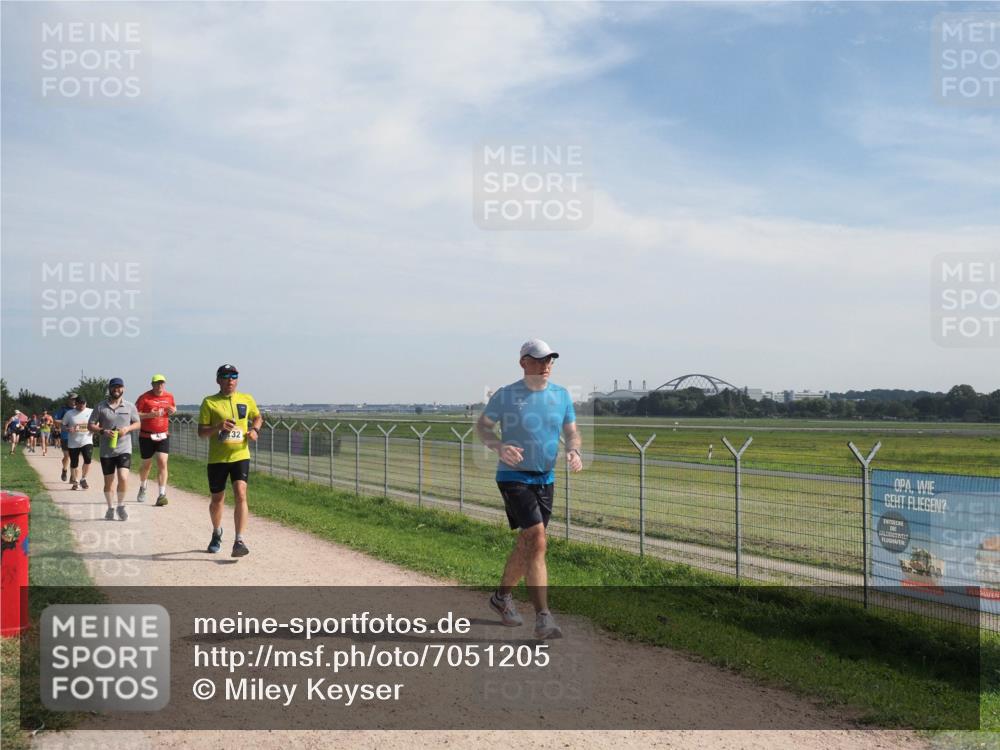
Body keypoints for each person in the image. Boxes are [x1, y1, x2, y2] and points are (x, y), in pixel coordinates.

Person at [475, 338, 583, 640]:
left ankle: (501, 596)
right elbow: (482, 427)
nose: (545, 365)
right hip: (513, 476)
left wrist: (575, 451)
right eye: (538, 359)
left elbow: (572, 433)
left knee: (530, 544)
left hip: (545, 478)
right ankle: (543, 617)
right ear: (523, 362)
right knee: (537, 538)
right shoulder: (506, 395)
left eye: (549, 360)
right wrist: (498, 446)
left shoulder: (561, 396)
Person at [197, 364, 262, 557]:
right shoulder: (209, 402)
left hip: (240, 455)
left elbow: (258, 417)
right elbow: (201, 433)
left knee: (241, 493)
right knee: (217, 500)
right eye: (225, 376)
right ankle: (217, 533)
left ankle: (239, 540)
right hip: (217, 459)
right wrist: (218, 427)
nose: (230, 380)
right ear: (218, 380)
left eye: (234, 376)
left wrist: (255, 430)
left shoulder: (246, 398)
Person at [88, 378, 140, 521]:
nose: (116, 389)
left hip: (124, 448)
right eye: (114, 387)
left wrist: (127, 428)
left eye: (119, 387)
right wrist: (103, 431)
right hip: (107, 450)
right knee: (108, 482)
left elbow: (137, 423)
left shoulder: (129, 406)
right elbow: (90, 425)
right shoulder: (100, 407)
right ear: (109, 389)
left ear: (123, 389)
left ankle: (121, 505)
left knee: (123, 478)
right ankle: (110, 508)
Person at [135, 374, 177, 507]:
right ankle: (143, 486)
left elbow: (173, 409)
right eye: (157, 383)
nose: (159, 386)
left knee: (162, 462)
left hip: (163, 435)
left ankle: (162, 494)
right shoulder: (144, 397)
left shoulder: (169, 396)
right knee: (146, 465)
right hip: (146, 436)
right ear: (152, 384)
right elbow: (135, 414)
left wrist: (173, 411)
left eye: (162, 383)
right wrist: (149, 415)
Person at [63, 395, 94, 491]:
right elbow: (63, 426)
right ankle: (75, 481)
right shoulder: (69, 413)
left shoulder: (91, 411)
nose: (81, 406)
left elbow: (98, 422)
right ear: (75, 403)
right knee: (74, 463)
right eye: (79, 404)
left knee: (88, 459)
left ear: (86, 403)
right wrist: (68, 429)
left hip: (87, 440)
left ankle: (83, 479)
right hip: (73, 442)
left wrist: (95, 427)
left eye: (83, 403)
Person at [53, 394, 77, 481]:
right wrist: (66, 421)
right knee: (67, 456)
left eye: (75, 399)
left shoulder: (79, 409)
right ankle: (64, 470)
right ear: (68, 400)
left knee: (74, 457)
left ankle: (73, 476)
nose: (74, 401)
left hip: (76, 436)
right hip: (65, 435)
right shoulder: (63, 409)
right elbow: (55, 420)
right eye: (72, 399)